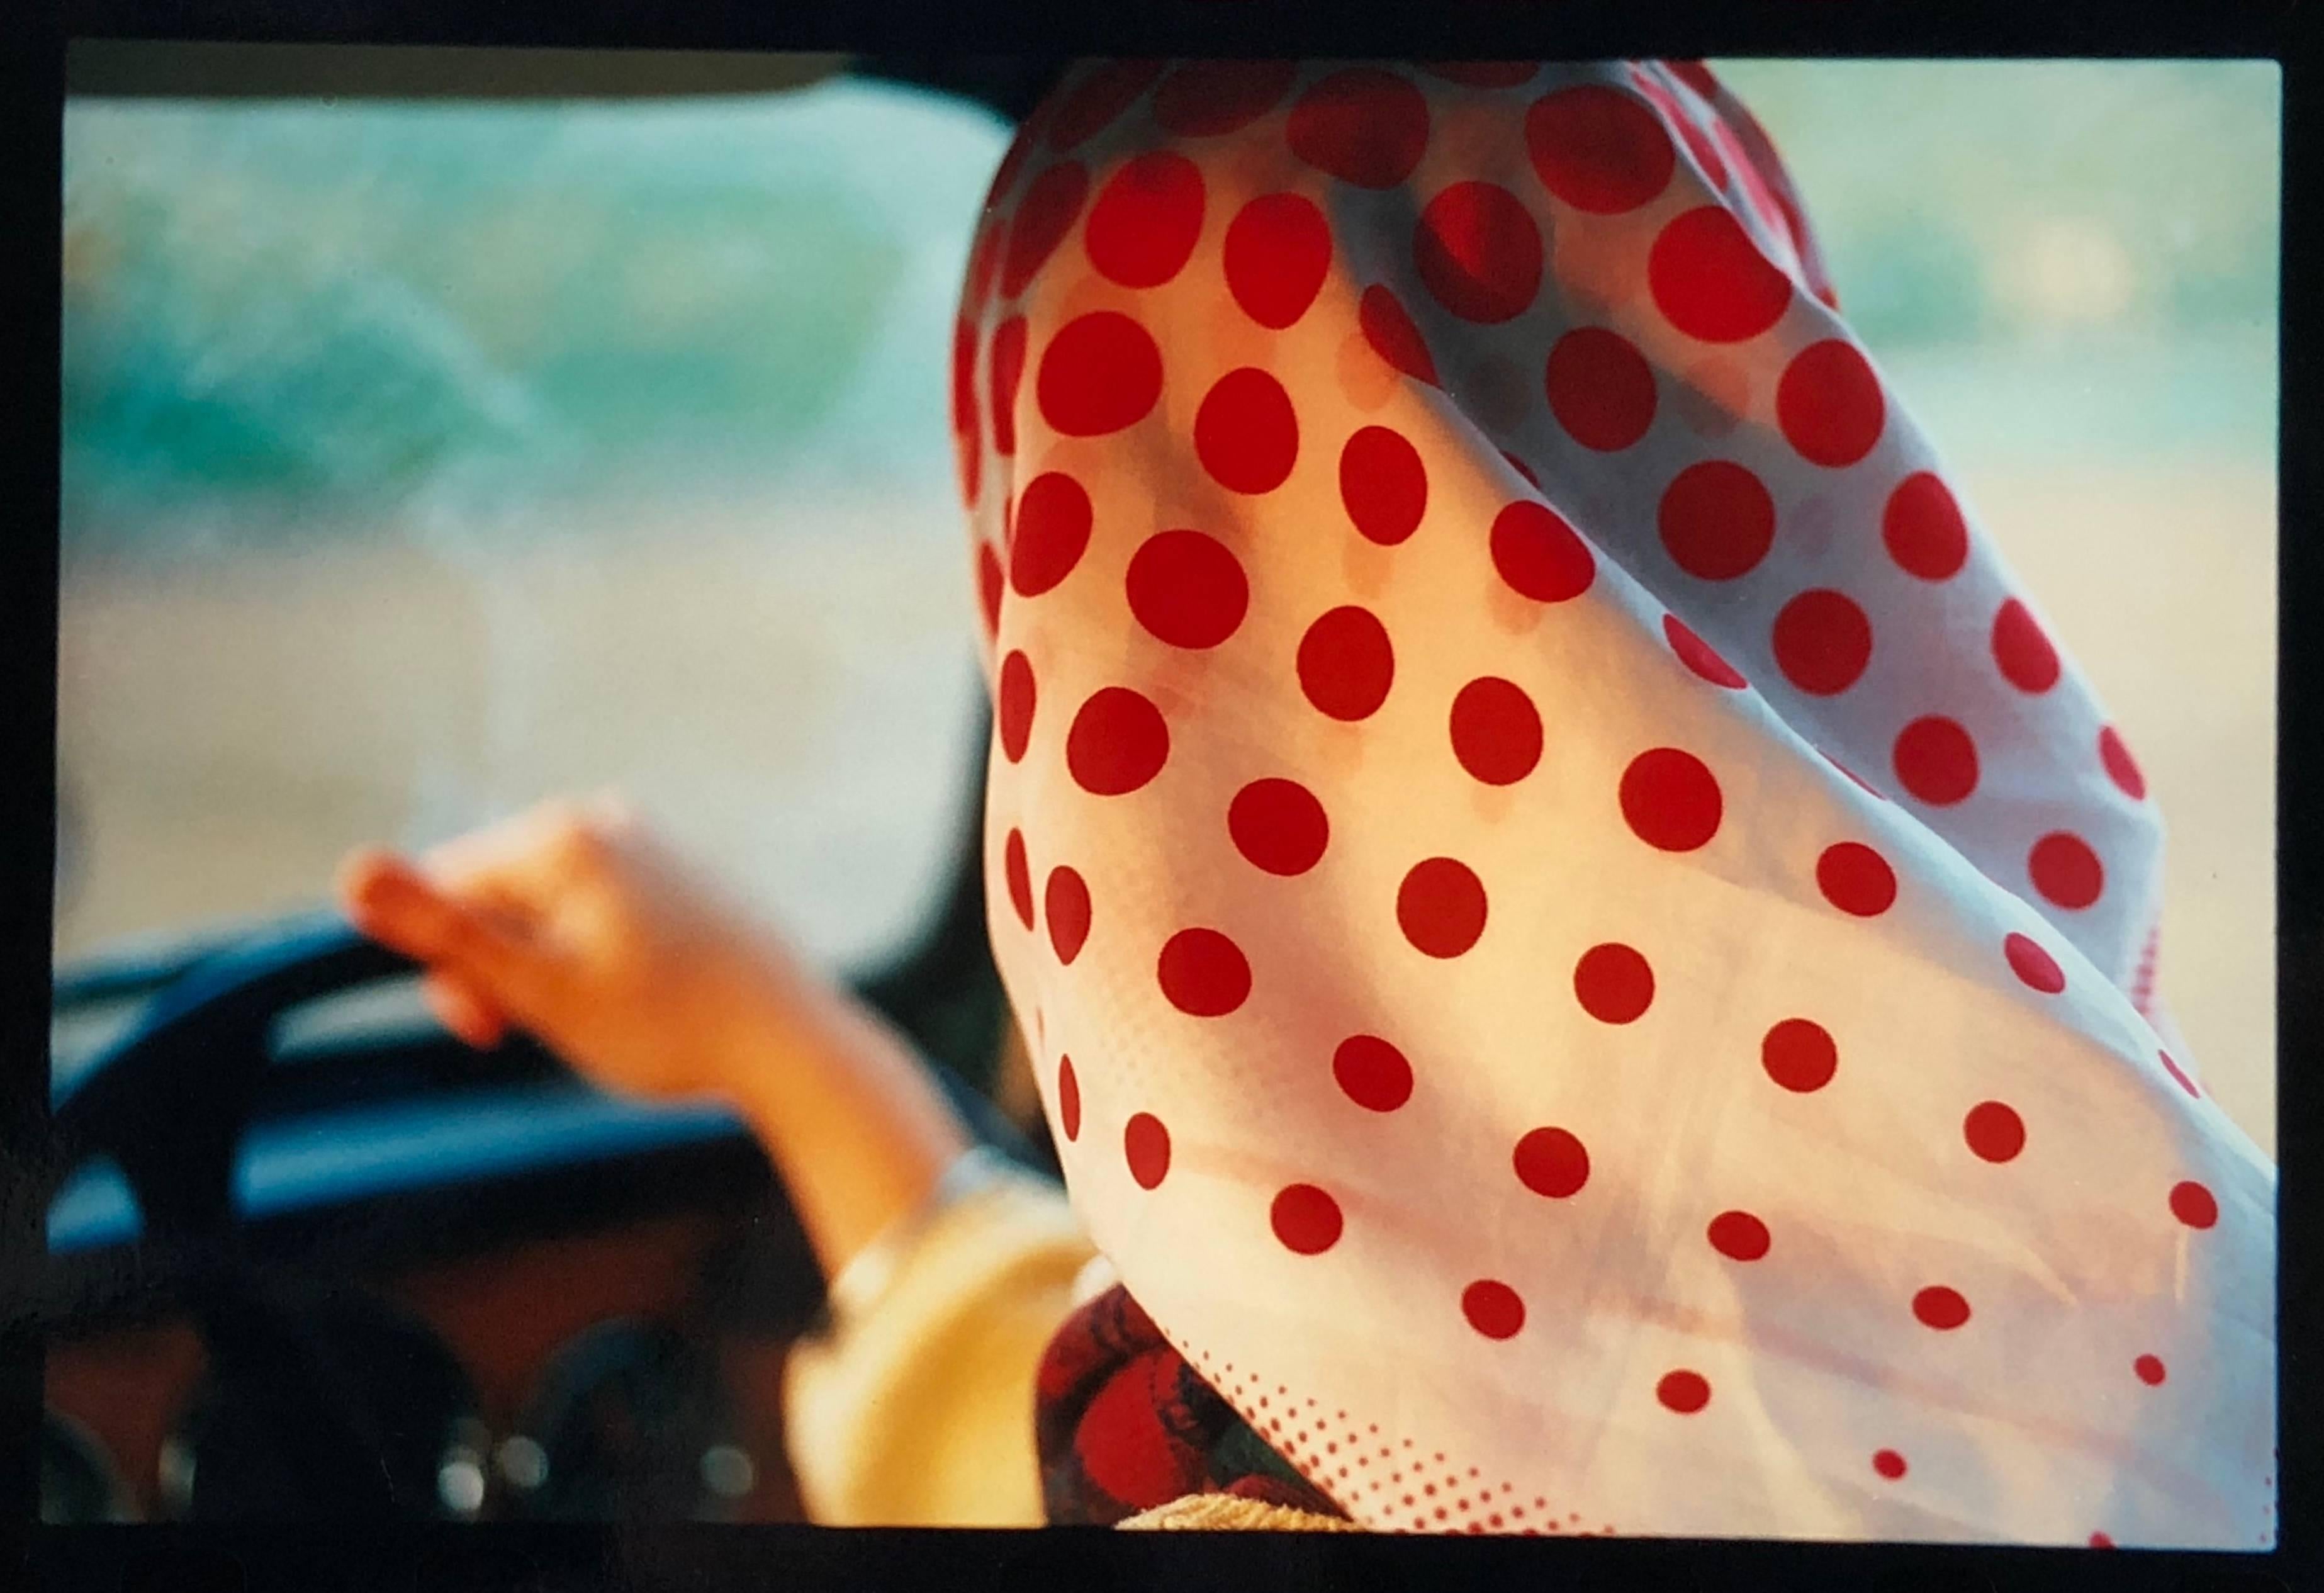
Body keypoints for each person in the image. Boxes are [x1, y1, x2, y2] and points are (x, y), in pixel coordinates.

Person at [339, 58, 2276, 1543]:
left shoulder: (1237, 1471)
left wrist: (779, 1049)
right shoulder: (2186, 1317)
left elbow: (1037, 1432)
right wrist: (779, 1041)